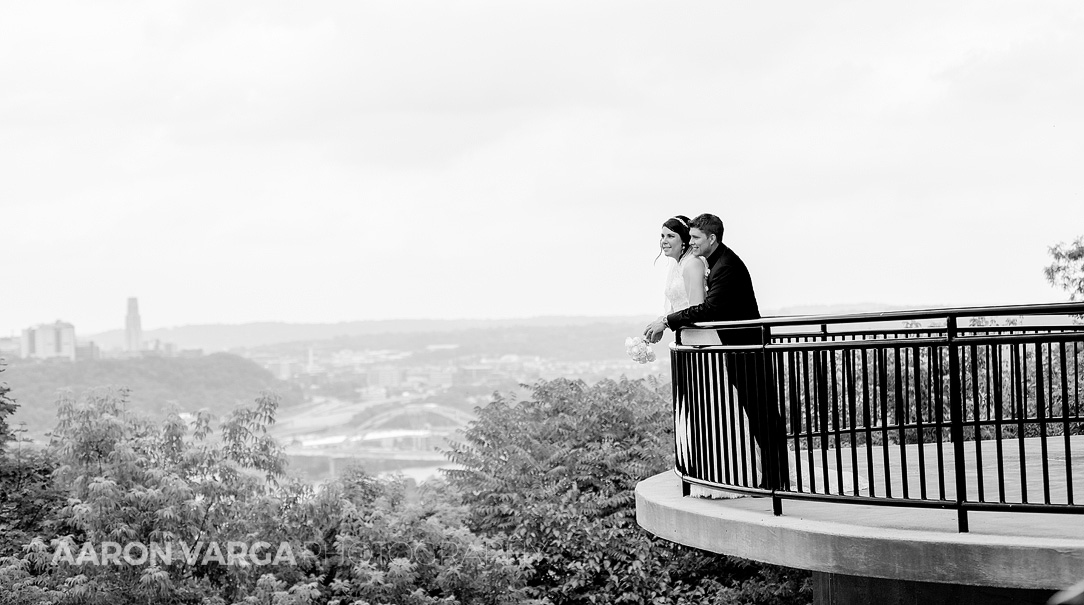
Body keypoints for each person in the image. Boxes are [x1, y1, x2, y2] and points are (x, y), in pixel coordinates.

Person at [643, 213, 789, 490]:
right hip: (735, 347)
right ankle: (771, 476)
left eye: (696, 238)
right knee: (756, 412)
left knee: (762, 413)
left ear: (712, 238)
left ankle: (775, 479)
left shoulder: (726, 266)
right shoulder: (715, 261)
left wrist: (666, 321)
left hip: (747, 348)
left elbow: (710, 309)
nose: (692, 242)